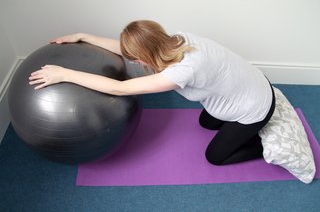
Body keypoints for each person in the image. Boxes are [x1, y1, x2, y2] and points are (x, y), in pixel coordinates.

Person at [29, 20, 275, 166]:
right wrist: (84, 36)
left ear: (147, 53)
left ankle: (270, 148)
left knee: (215, 157)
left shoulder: (181, 72)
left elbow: (119, 88)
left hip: (254, 107)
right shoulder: (177, 39)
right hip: (250, 86)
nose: (133, 60)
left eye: (137, 58)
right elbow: (127, 50)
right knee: (207, 122)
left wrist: (65, 75)